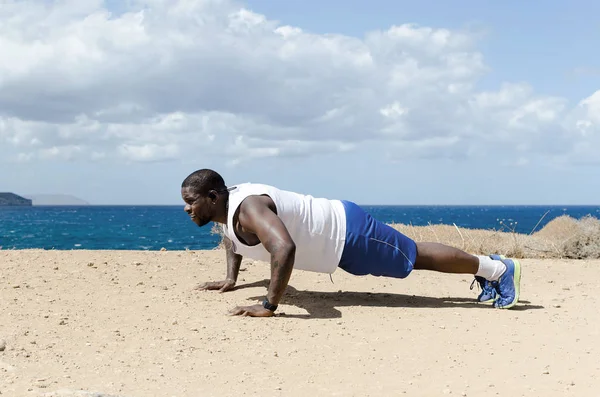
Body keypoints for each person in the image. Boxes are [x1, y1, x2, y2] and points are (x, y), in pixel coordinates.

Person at [181, 168, 521, 317]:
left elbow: (283, 248)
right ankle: (488, 269)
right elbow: (233, 241)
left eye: (191, 201)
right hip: (338, 243)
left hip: (347, 232)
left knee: (414, 256)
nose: (186, 208)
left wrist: (269, 305)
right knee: (410, 256)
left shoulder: (250, 207)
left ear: (212, 197)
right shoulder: (227, 212)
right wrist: (231, 279)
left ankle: (498, 268)